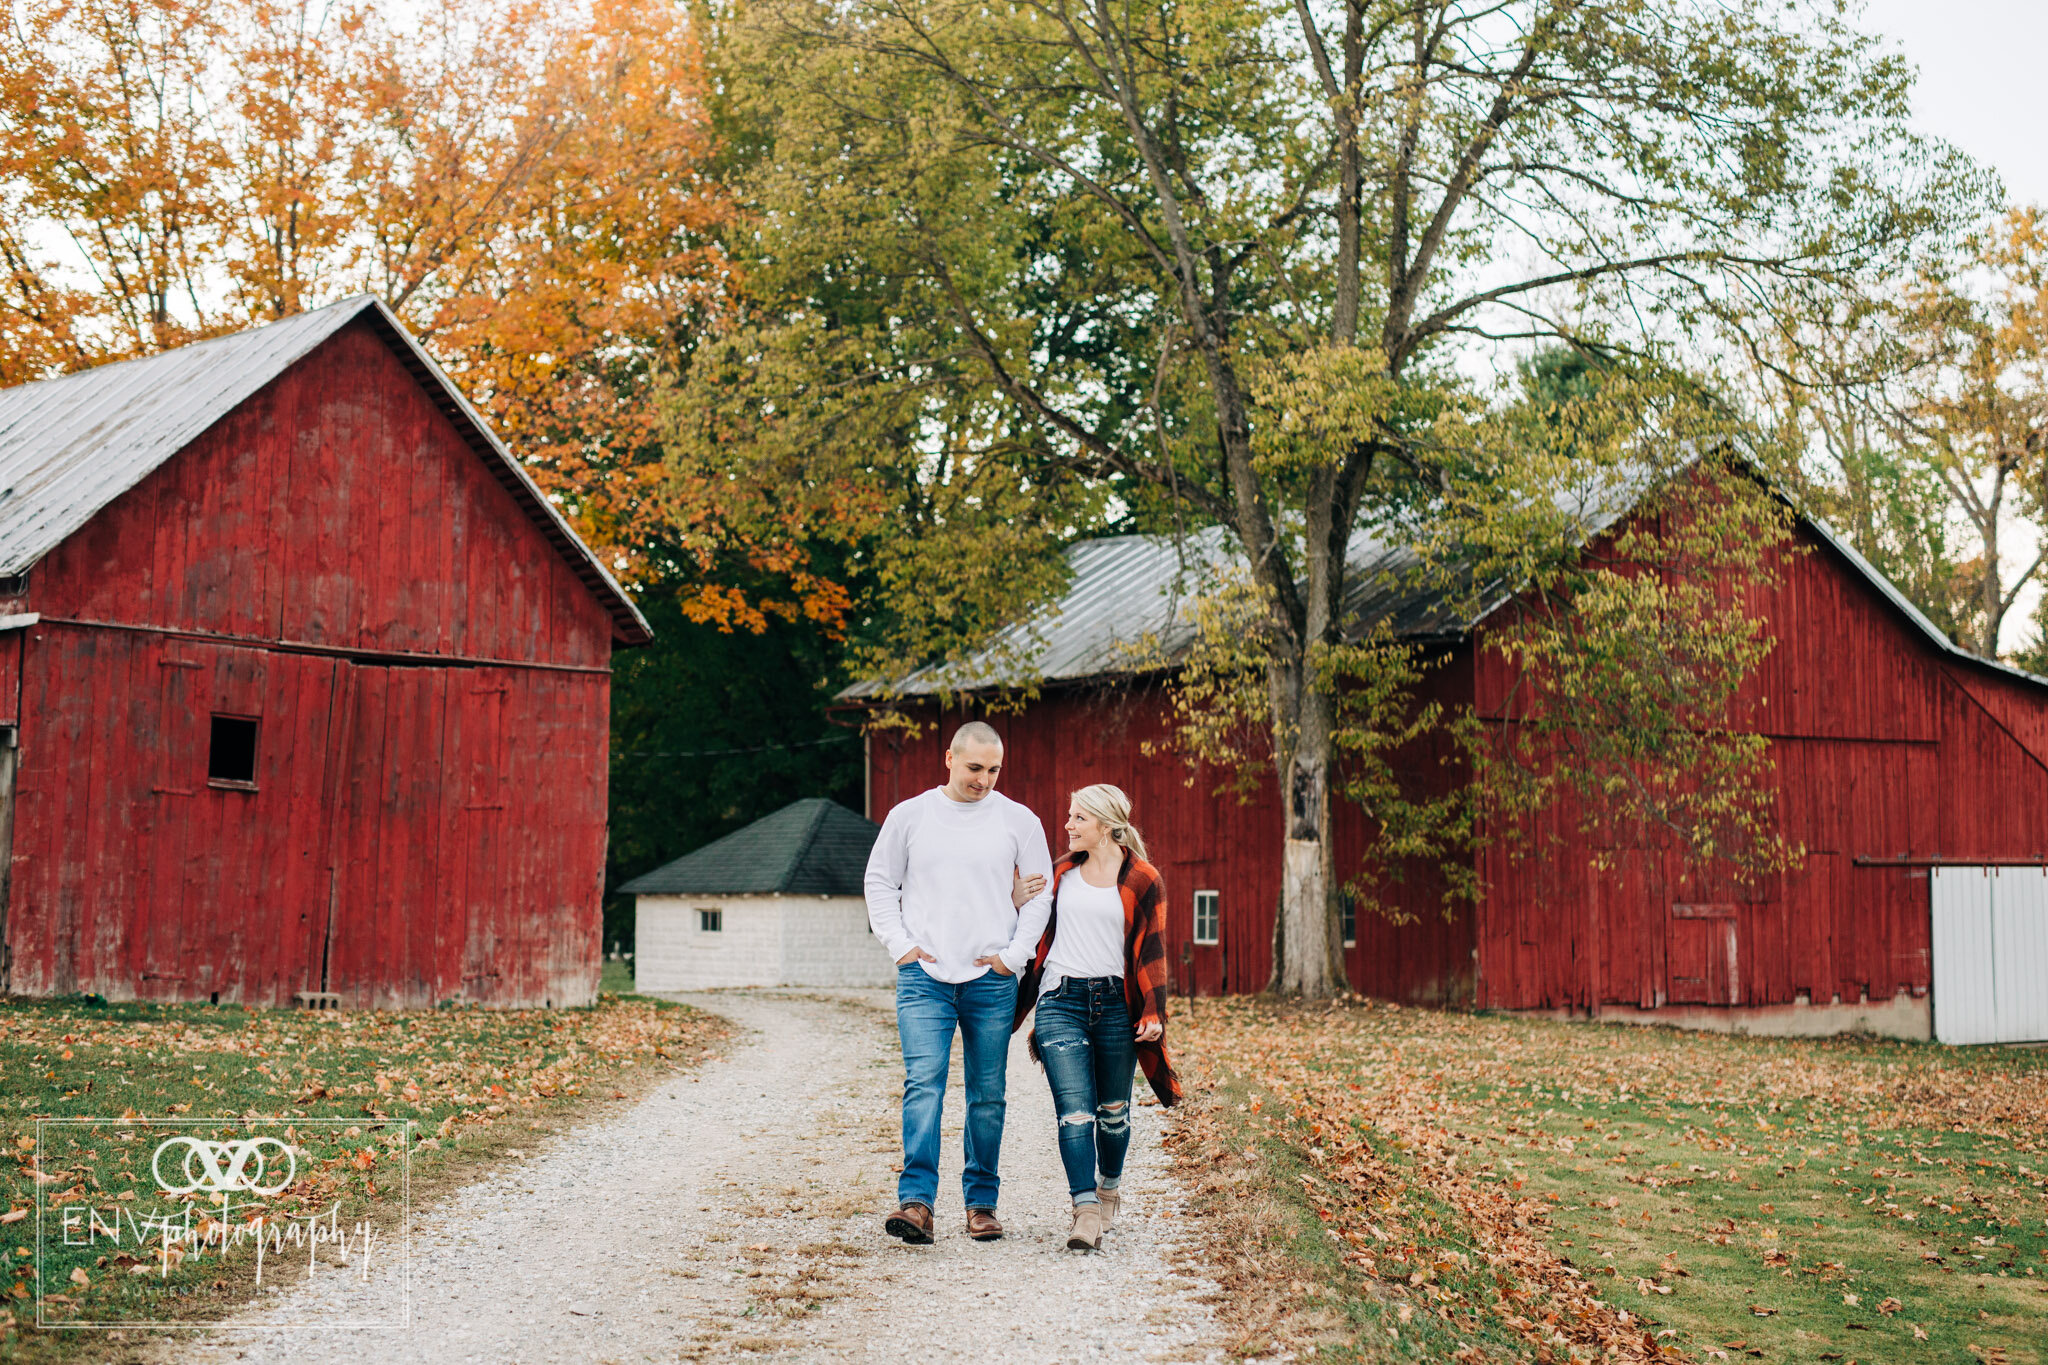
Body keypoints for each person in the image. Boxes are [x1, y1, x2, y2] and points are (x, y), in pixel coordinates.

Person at [863, 720, 1055, 1245]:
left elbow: (1041, 892)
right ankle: (917, 1202)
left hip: (990, 981)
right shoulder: (911, 816)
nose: (985, 779)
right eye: (975, 768)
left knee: (988, 1094)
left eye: (994, 770)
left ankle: (981, 1204)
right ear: (949, 758)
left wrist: (1013, 957)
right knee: (923, 1086)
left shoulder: (1019, 821)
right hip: (924, 977)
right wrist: (900, 946)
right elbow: (880, 881)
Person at [1011, 782, 1181, 1251]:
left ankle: (1108, 1188)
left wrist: (1153, 1012)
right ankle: (1084, 1209)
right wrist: (1014, 898)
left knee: (1113, 1114)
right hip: (1060, 1001)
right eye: (1069, 816)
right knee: (1075, 1113)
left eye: (1078, 818)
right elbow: (1023, 922)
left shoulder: (1143, 878)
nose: (1067, 825)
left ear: (1106, 825)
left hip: (1114, 1007)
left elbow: (1153, 951)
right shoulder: (1059, 874)